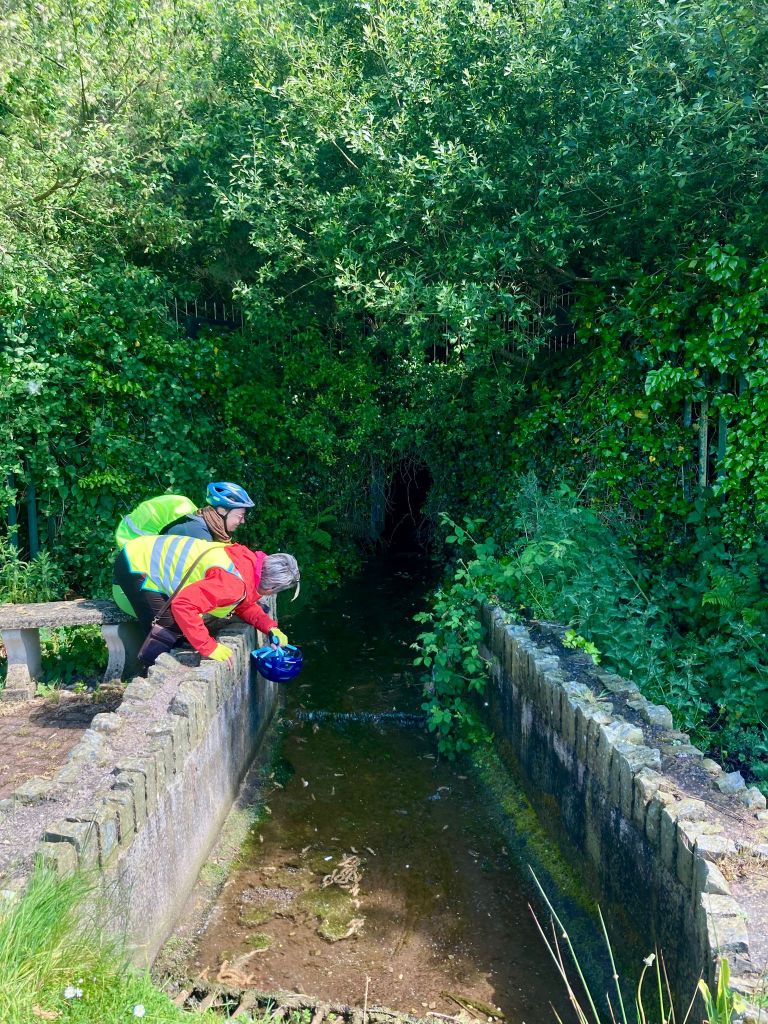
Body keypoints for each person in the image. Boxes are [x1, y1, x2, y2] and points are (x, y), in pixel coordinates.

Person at [112, 534, 300, 668]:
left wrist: (269, 627)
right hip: (136, 563)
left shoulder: (248, 563)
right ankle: (147, 672)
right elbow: (183, 604)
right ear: (271, 589)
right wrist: (208, 647)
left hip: (144, 551)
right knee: (170, 629)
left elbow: (244, 604)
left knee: (184, 629)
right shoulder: (232, 584)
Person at [163, 482, 255, 543]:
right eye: (240, 516)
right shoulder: (198, 533)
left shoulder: (208, 527)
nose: (243, 521)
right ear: (223, 510)